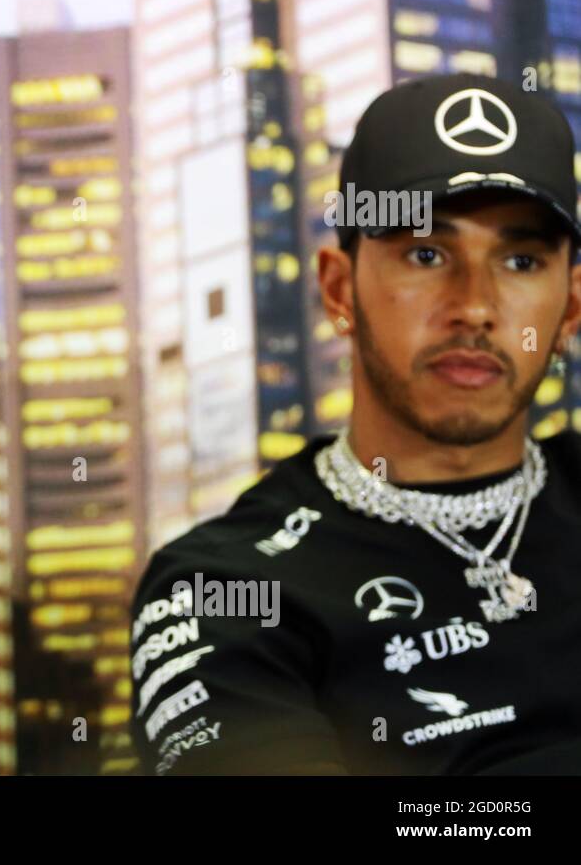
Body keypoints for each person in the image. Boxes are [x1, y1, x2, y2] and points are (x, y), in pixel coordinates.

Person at [128, 73, 581, 774]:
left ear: (571, 311)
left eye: (521, 261)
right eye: (426, 255)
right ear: (340, 290)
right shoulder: (224, 588)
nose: (476, 306)